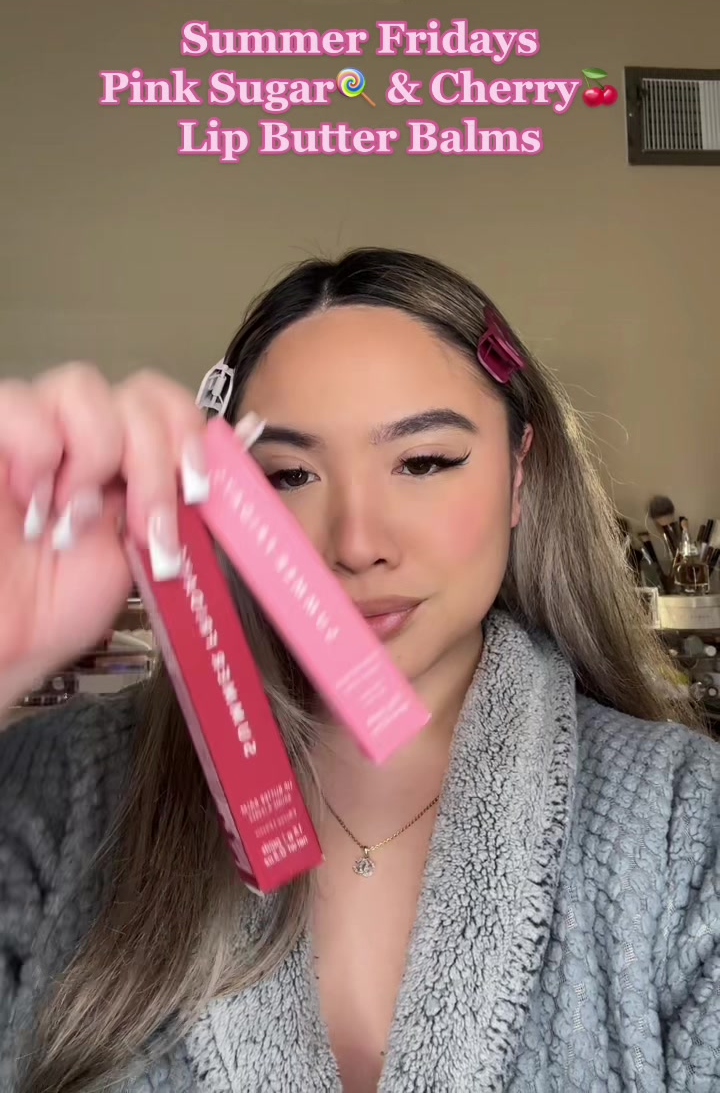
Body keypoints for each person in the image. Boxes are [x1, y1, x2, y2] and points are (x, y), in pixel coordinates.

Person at [0, 246, 718, 1093]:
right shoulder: (56, 794)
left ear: (521, 473)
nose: (356, 544)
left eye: (423, 462)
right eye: (288, 474)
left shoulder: (684, 823)